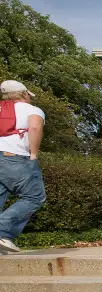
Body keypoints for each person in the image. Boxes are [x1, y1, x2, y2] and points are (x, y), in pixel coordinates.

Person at [0, 80, 46, 253]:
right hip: (15, 158)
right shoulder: (32, 110)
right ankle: (2, 230)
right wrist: (33, 154)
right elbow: (34, 126)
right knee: (34, 196)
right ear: (24, 94)